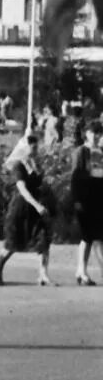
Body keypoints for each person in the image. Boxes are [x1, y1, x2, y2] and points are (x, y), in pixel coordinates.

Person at [0, 131, 54, 286]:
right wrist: (36, 205)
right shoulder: (18, 166)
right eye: (32, 148)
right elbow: (22, 189)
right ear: (25, 148)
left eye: (36, 148)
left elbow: (40, 183)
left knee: (43, 239)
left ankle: (43, 275)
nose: (35, 151)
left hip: (37, 207)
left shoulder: (35, 165)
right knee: (13, 242)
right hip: (21, 207)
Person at [70, 120, 103, 285]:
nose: (96, 136)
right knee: (87, 235)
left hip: (99, 197)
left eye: (99, 133)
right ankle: (81, 270)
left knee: (94, 236)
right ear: (87, 133)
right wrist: (77, 199)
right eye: (93, 132)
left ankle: (81, 271)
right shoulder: (81, 151)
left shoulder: (101, 151)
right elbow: (75, 177)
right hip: (85, 198)